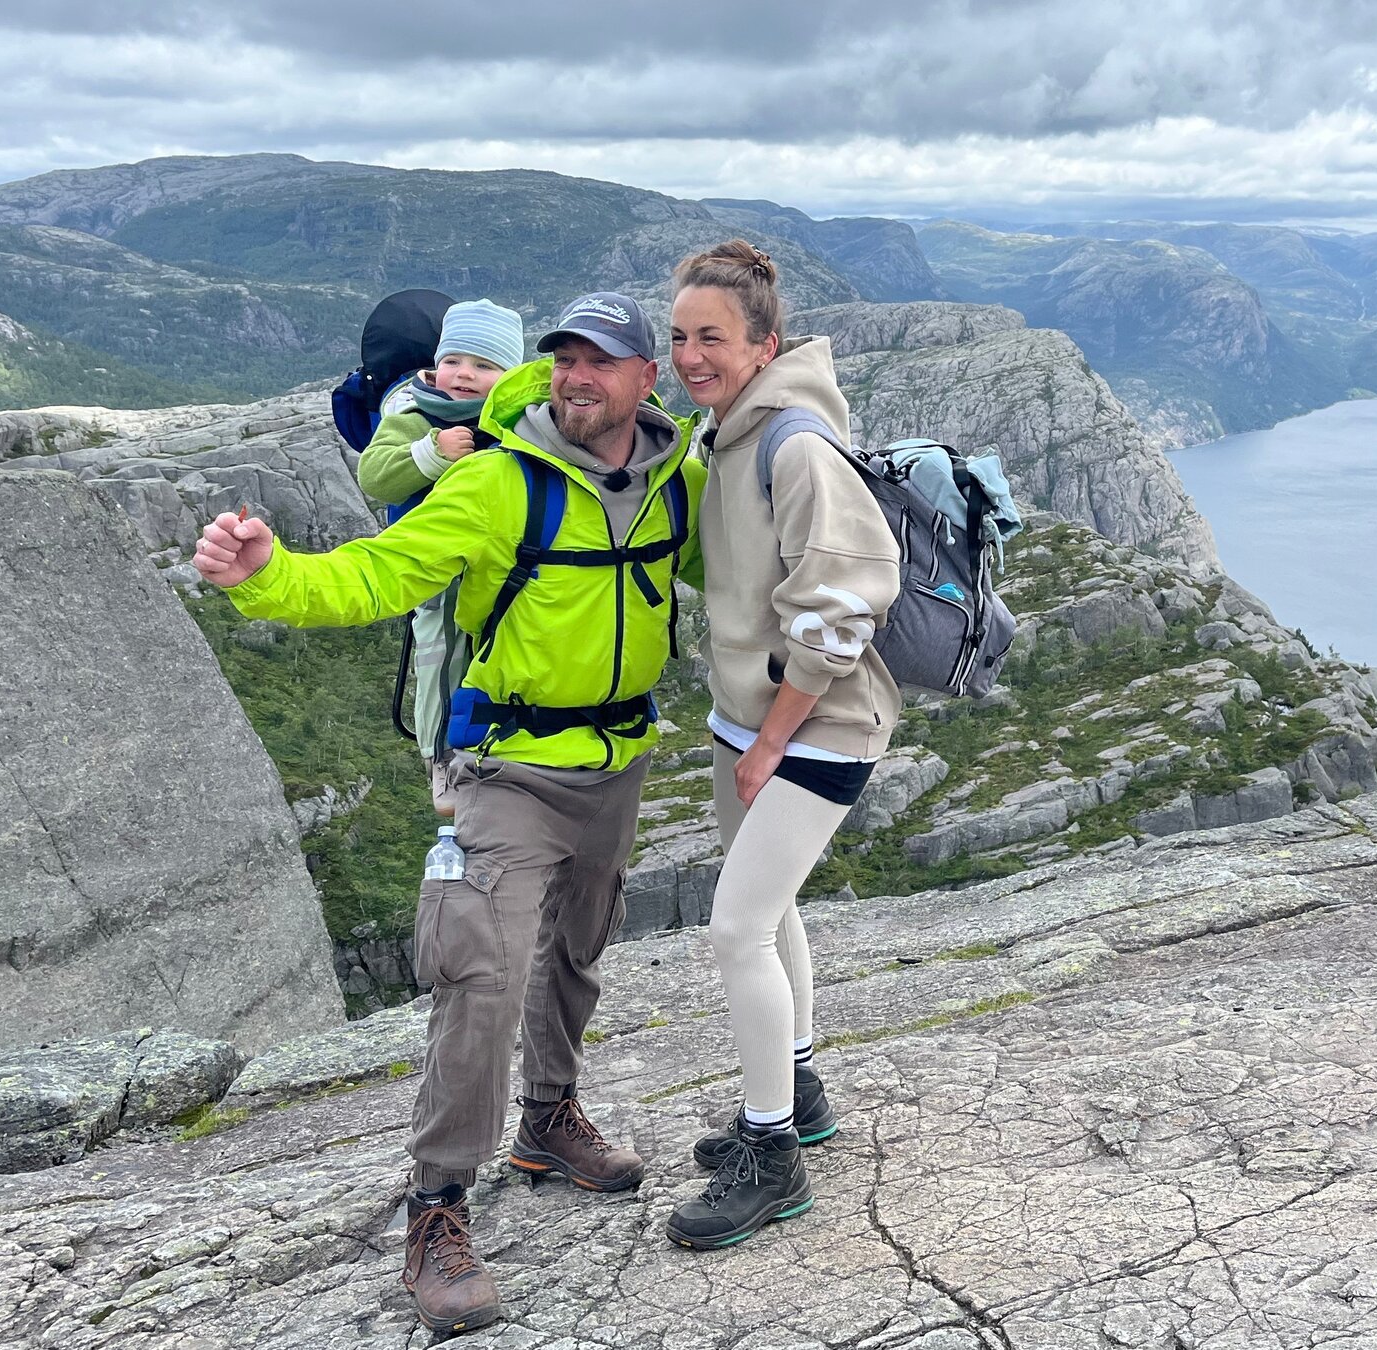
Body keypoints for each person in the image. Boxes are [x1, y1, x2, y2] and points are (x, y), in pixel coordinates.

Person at [191, 290, 702, 1337]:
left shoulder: (675, 484)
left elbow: (743, 570)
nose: (577, 376)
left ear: (648, 379)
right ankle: (437, 1206)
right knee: (482, 973)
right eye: (564, 358)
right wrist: (265, 576)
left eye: (601, 361)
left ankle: (549, 1118)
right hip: (506, 767)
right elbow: (374, 575)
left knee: (579, 951)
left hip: (618, 760)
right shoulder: (492, 483)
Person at [660, 241, 901, 1252]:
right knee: (774, 912)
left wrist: (770, 741)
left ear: (765, 341)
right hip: (745, 722)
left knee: (736, 932)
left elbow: (845, 607)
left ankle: (773, 1160)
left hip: (815, 730)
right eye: (677, 337)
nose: (690, 355)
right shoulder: (722, 434)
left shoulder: (794, 445)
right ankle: (796, 1090)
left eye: (711, 337)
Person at [355, 299, 527, 817]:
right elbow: (375, 474)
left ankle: (501, 742)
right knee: (439, 656)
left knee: (499, 654)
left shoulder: (518, 418)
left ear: (509, 376)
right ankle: (442, 758)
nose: (464, 375)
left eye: (484, 365)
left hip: (502, 568)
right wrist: (431, 450)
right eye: (453, 360)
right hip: (434, 568)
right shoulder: (413, 413)